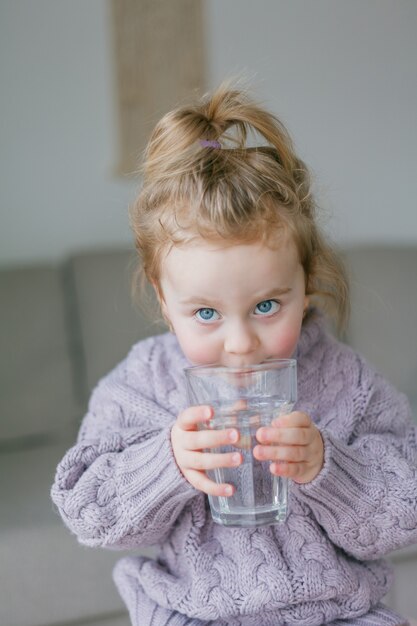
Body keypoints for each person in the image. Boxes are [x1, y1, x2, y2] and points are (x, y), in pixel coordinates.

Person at [51, 83, 417, 626]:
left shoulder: (348, 381)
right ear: (163, 299)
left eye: (267, 304)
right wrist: (167, 464)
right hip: (191, 613)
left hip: (337, 612)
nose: (240, 343)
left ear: (308, 282)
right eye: (205, 314)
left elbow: (405, 513)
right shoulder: (142, 384)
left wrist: (330, 469)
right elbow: (87, 512)